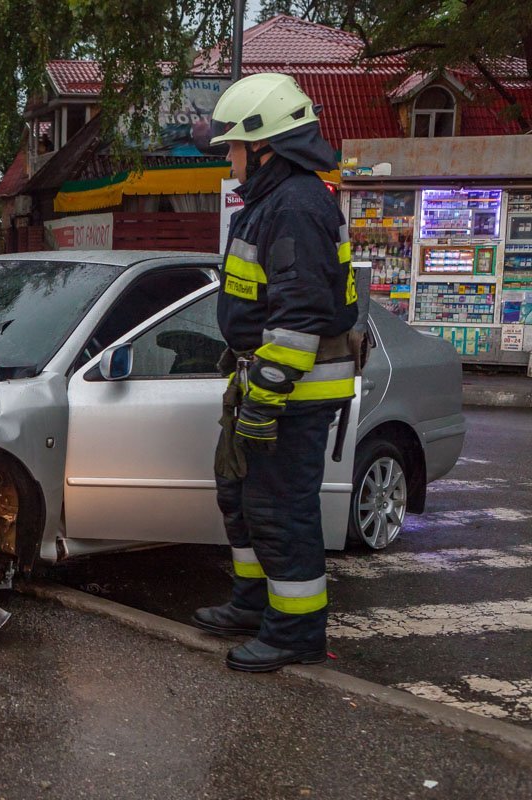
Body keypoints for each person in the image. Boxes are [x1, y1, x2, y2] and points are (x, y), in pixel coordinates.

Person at [193, 73, 359, 672]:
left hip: (293, 392)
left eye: (234, 147)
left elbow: (301, 316)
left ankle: (295, 632)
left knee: (280, 509)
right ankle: (253, 605)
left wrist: (264, 397)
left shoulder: (296, 207)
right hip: (266, 383)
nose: (230, 160)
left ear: (265, 146)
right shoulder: (273, 203)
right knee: (240, 498)